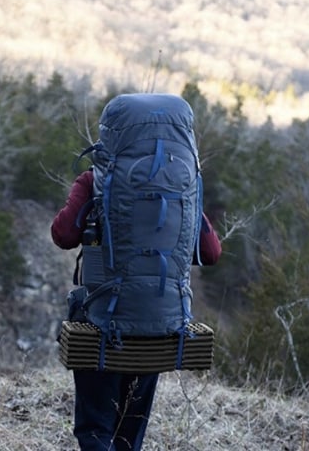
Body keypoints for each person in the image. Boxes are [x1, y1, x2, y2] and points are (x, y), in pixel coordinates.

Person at [51, 168, 222, 450]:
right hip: (156, 323)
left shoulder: (95, 179)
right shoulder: (182, 183)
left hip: (101, 325)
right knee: (128, 435)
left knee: (95, 430)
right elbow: (210, 252)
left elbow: (62, 234)